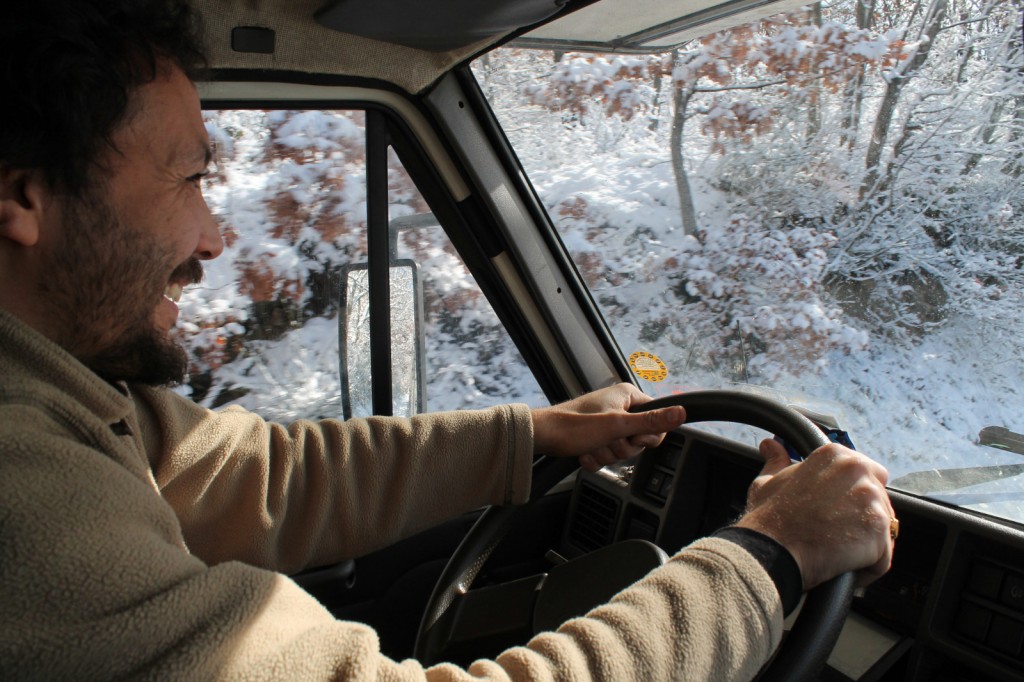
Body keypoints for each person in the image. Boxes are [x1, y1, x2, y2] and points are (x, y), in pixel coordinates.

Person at [0, 1, 894, 679]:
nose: (213, 238)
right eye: (190, 179)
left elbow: (252, 474)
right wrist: (769, 556)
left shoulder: (66, 397)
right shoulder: (22, 486)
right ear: (25, 197)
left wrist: (536, 434)